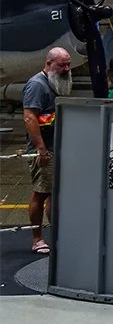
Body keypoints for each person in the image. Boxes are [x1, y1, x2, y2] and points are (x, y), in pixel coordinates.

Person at [23, 46, 71, 255]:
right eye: (62, 65)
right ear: (49, 63)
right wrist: (41, 149)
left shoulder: (57, 83)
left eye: (68, 64)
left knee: (53, 194)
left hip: (56, 148)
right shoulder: (37, 85)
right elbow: (29, 118)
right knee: (40, 193)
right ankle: (37, 239)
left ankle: (57, 234)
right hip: (44, 150)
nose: (66, 68)